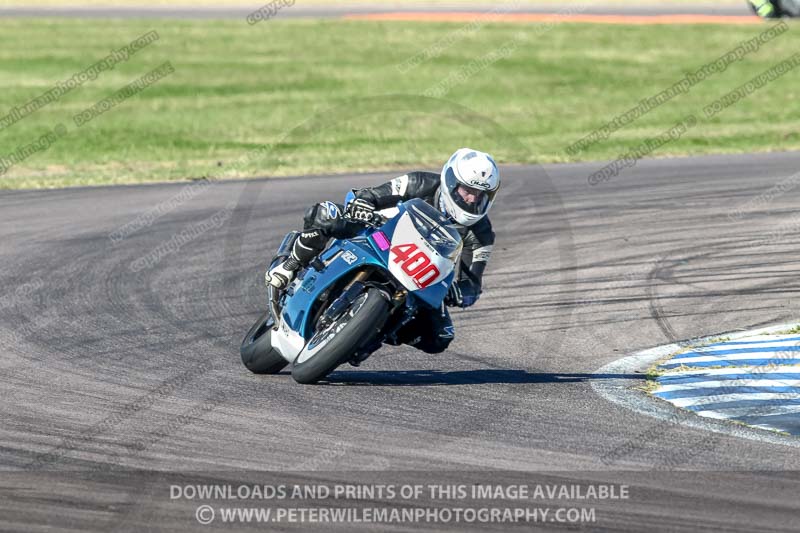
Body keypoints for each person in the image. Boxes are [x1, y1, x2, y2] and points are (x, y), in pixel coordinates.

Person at [266, 148, 500, 354]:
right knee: (326, 213)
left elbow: (472, 284)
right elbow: (372, 195)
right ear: (451, 182)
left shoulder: (482, 234)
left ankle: (373, 329)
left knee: (440, 337)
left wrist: (459, 293)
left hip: (419, 273)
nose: (472, 198)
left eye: (480, 194)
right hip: (380, 235)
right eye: (467, 190)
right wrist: (363, 205)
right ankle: (289, 266)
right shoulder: (420, 182)